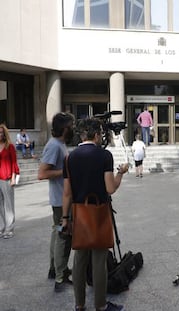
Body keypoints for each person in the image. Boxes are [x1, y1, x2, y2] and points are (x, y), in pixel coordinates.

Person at [61, 118, 129, 311]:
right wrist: (121, 173)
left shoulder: (69, 158)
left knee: (79, 260)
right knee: (99, 261)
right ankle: (100, 305)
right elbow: (110, 188)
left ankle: (79, 305)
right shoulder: (104, 156)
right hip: (98, 211)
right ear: (97, 134)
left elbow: (66, 193)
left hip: (78, 213)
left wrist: (65, 218)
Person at [38, 112, 75, 292]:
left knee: (57, 233)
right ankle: (61, 276)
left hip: (61, 198)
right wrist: (68, 171)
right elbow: (42, 173)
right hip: (61, 201)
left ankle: (55, 269)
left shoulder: (60, 144)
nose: (73, 129)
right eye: (71, 125)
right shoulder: (54, 146)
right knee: (64, 236)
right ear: (64, 128)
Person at [0, 124, 20, 239]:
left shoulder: (10, 146)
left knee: (8, 204)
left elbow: (14, 162)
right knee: (0, 204)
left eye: (2, 132)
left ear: (5, 134)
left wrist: (13, 177)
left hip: (7, 178)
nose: (0, 134)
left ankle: (9, 228)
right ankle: (3, 226)